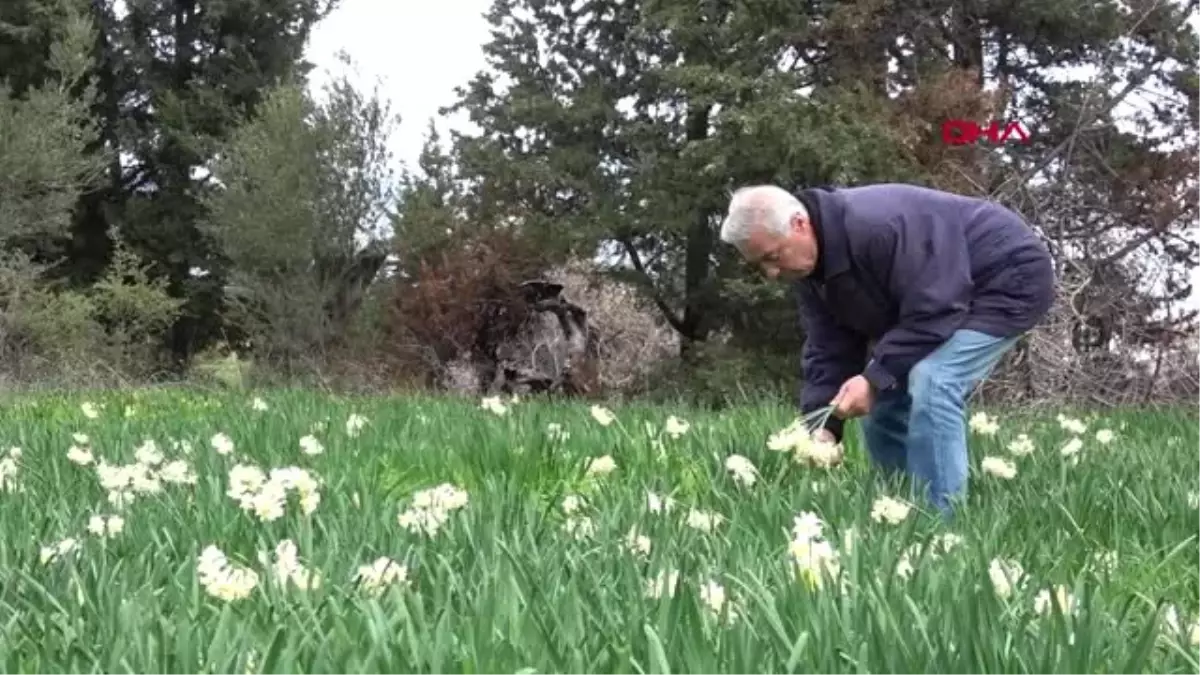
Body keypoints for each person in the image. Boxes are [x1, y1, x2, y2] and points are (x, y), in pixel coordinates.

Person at [718, 183, 1056, 513]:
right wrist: (823, 425)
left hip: (1005, 277)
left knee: (934, 380)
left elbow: (937, 308)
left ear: (799, 224)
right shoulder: (811, 271)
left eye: (773, 257)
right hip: (943, 297)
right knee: (882, 402)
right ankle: (900, 512)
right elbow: (828, 347)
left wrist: (874, 376)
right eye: (760, 265)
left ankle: (942, 526)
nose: (772, 272)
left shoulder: (876, 226)